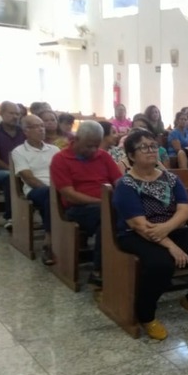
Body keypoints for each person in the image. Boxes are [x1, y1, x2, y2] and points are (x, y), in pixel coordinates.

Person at [112, 129, 188, 338]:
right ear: (131, 155)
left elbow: (184, 210)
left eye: (153, 146)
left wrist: (167, 228)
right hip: (136, 235)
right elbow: (139, 225)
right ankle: (146, 315)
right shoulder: (125, 185)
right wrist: (172, 247)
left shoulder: (171, 179)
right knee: (161, 264)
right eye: (144, 147)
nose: (151, 150)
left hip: (171, 228)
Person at [50, 121, 121, 287]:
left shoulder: (103, 156)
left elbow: (118, 181)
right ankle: (99, 270)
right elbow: (69, 194)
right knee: (108, 217)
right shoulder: (60, 159)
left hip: (104, 204)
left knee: (120, 215)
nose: (94, 150)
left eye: (97, 145)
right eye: (89, 146)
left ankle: (114, 264)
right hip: (77, 209)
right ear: (76, 139)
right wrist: (103, 202)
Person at [11, 115, 60, 265]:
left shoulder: (54, 149)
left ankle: (67, 237)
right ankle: (49, 240)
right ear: (26, 131)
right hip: (35, 190)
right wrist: (53, 191)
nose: (41, 129)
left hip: (57, 188)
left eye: (42, 126)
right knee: (49, 196)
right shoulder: (19, 151)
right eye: (36, 126)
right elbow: (29, 178)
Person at [0, 101, 25, 230]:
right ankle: (10, 217)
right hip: (0, 170)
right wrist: (14, 171)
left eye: (17, 114)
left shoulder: (24, 132)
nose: (15, 116)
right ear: (1, 114)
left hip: (23, 168)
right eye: (11, 113)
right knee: (9, 178)